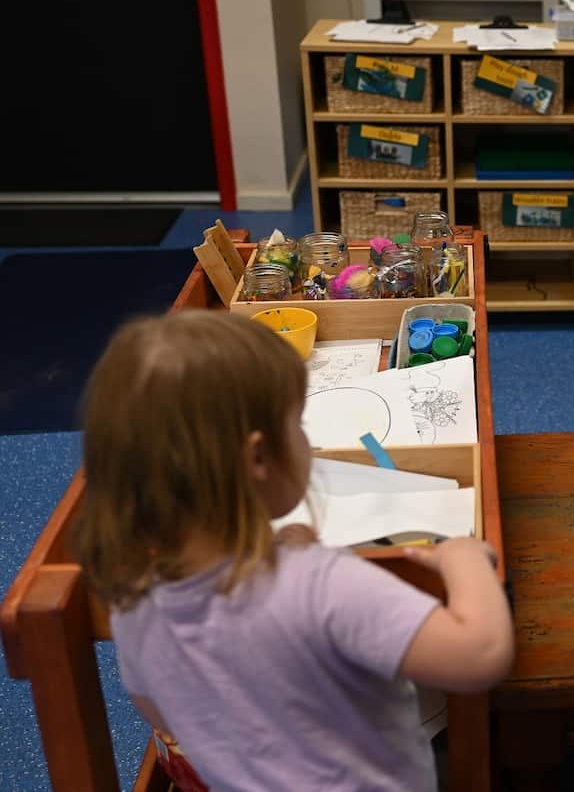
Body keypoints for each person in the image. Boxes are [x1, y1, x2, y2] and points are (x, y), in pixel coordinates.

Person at [71, 310, 513, 791]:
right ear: (259, 457)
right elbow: (480, 655)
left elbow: (162, 708)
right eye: (296, 423)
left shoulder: (131, 600)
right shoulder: (323, 585)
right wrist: (466, 560)